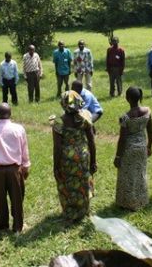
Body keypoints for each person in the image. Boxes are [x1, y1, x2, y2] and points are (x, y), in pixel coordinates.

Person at [0, 103, 30, 233]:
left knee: (0, 200)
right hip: (15, 170)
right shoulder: (18, 129)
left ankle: (2, 226)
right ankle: (17, 227)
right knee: (17, 199)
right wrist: (25, 168)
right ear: (10, 113)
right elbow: (24, 150)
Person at [52, 91, 97, 224]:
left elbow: (57, 147)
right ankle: (84, 210)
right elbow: (91, 141)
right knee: (83, 181)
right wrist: (93, 161)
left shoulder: (59, 122)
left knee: (67, 184)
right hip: (83, 156)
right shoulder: (86, 117)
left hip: (67, 158)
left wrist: (56, 167)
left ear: (63, 104)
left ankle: (70, 213)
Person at [114, 87, 152, 210]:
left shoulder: (125, 117)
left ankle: (126, 203)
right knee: (140, 174)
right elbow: (151, 132)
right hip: (142, 147)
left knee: (126, 176)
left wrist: (118, 156)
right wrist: (149, 146)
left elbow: (122, 139)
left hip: (129, 150)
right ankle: (141, 200)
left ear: (127, 99)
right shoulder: (147, 112)